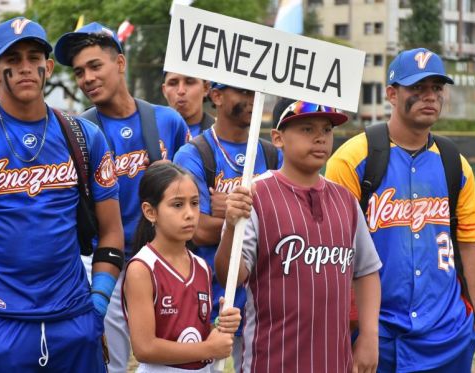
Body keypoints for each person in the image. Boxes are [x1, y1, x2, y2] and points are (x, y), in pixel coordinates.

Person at [0, 17, 124, 371]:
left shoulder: (85, 136)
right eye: (12, 60)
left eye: (34, 57)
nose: (25, 68)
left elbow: (111, 231)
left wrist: (97, 307)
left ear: (48, 66)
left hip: (75, 324)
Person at [326, 48, 475, 372]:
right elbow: (332, 251)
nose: (430, 97)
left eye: (436, 89)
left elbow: (468, 242)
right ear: (392, 94)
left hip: (446, 331)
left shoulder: (456, 165)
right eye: (418, 88)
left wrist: (473, 317)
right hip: (376, 332)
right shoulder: (353, 159)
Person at [54, 22, 190, 373]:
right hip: (104, 264)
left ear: (119, 63)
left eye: (95, 66)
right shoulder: (77, 132)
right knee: (107, 363)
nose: (87, 78)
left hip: (160, 260)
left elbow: (185, 193)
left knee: (173, 361)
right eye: (79, 72)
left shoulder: (167, 120)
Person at [215, 99, 382, 372]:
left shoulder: (346, 201)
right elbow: (232, 275)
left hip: (334, 360)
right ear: (278, 138)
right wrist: (231, 226)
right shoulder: (254, 195)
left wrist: (369, 335)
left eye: (326, 130)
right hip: (270, 360)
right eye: (306, 129)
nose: (320, 138)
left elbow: (366, 272)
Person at [174, 82, 281, 371]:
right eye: (244, 91)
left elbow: (286, 227)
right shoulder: (193, 154)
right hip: (208, 302)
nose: (252, 99)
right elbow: (198, 230)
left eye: (255, 92)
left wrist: (233, 213)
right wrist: (238, 218)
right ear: (217, 96)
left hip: (263, 303)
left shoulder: (272, 155)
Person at [122, 162, 241, 372]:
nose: (189, 214)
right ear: (150, 212)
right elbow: (144, 348)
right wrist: (209, 348)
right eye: (177, 205)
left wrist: (223, 324)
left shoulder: (202, 266)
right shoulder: (142, 268)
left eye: (195, 203)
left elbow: (195, 333)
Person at [162, 71, 213, 137]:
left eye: (189, 82)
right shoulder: (148, 134)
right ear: (164, 90)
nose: (181, 91)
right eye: (173, 83)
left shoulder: (223, 136)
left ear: (206, 88)